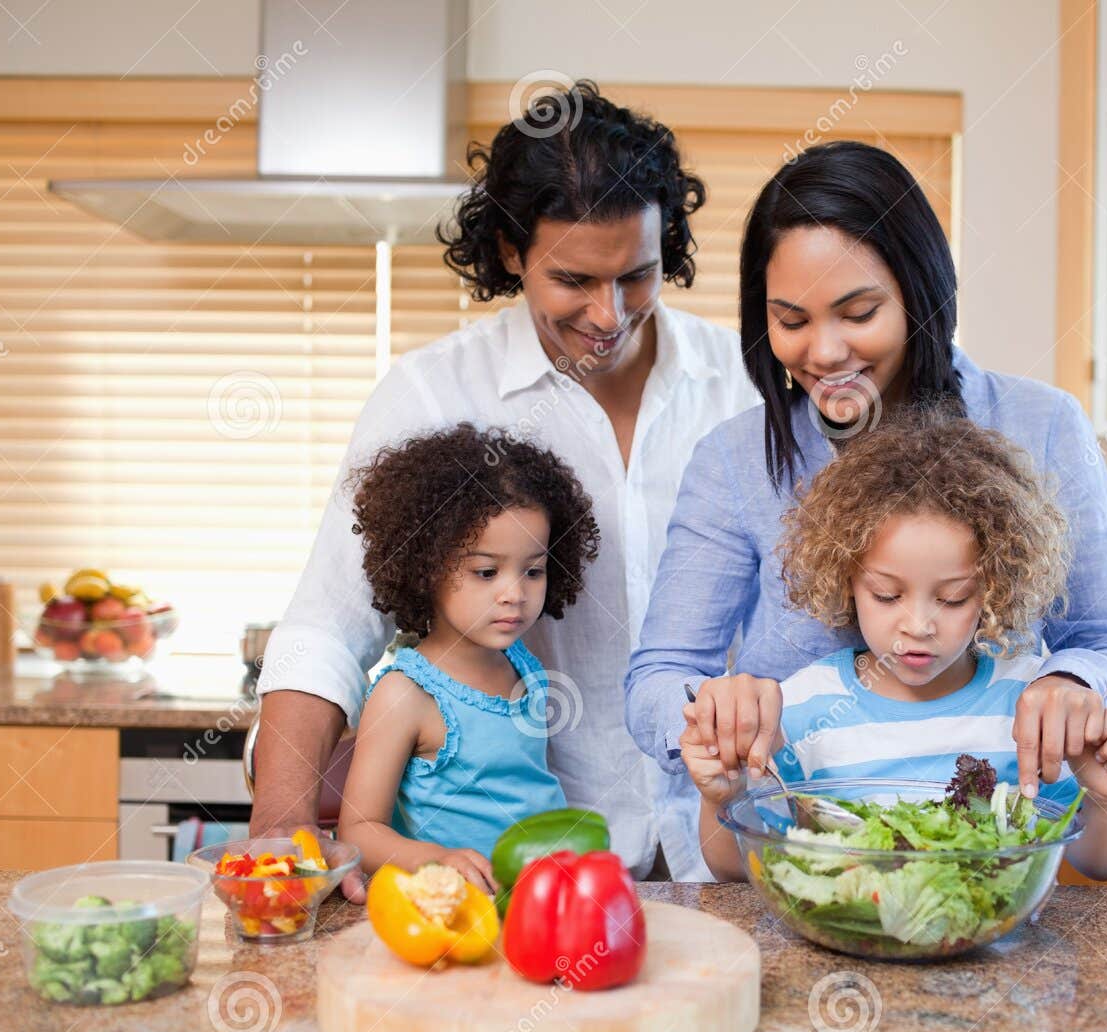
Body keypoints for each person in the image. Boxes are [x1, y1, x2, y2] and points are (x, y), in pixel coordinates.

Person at [253, 82, 756, 896]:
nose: (609, 313)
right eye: (573, 281)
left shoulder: (747, 388)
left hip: (733, 854)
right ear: (512, 253)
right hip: (530, 878)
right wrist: (279, 827)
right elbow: (328, 630)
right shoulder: (431, 395)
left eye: (638, 274)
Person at [626, 141, 1107, 880]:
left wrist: (1072, 688)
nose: (824, 350)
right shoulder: (735, 459)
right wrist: (714, 714)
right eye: (791, 319)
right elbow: (659, 676)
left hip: (986, 880)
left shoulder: (1042, 425)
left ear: (920, 290)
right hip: (802, 871)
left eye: (859, 311)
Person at [678, 416, 1107, 881]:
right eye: (887, 595)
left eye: (952, 598)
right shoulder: (802, 708)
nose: (919, 625)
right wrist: (722, 796)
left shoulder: (1027, 704)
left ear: (995, 590)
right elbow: (735, 871)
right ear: (847, 581)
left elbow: (1099, 863)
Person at [336, 425, 600, 889]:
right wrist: (434, 858)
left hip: (538, 899)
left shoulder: (523, 664)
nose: (514, 594)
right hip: (456, 910)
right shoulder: (406, 695)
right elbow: (358, 831)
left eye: (533, 570)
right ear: (425, 567)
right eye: (486, 571)